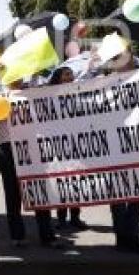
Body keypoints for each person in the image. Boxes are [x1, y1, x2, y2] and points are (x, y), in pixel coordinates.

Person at [0, 77, 64, 249]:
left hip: (32, 146)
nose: (16, 78)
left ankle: (46, 236)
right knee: (13, 193)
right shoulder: (0, 98)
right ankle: (18, 236)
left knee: (38, 190)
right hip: (7, 148)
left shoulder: (35, 95)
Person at [103, 44, 139, 253]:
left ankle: (133, 235)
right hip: (113, 145)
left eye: (126, 54)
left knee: (138, 192)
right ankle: (122, 236)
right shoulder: (102, 82)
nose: (123, 59)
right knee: (118, 195)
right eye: (117, 56)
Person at [48, 66, 89, 231]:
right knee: (62, 181)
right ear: (58, 78)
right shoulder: (49, 95)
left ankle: (75, 217)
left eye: (71, 75)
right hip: (59, 145)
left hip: (76, 144)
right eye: (66, 75)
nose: (69, 78)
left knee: (76, 182)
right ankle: (61, 218)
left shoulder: (77, 93)